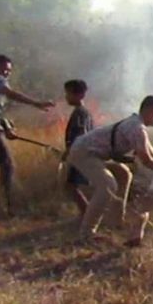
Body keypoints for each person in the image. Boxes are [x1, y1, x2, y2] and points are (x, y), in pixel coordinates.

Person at [0, 54, 55, 218]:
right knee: (7, 164)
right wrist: (37, 103)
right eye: (5, 69)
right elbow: (11, 93)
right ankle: (8, 206)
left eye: (9, 71)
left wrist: (6, 128)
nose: (7, 73)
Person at [66, 95, 153, 242]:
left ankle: (115, 220)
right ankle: (86, 233)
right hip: (84, 152)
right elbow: (146, 159)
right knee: (107, 185)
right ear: (148, 110)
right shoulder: (136, 127)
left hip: (94, 154)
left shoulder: (137, 124)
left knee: (124, 174)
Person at [62, 79, 94, 216]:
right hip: (80, 153)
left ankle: (87, 213)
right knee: (71, 185)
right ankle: (86, 213)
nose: (66, 97)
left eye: (69, 94)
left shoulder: (80, 113)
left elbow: (81, 135)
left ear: (79, 95)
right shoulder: (83, 112)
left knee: (70, 186)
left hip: (79, 154)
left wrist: (69, 152)